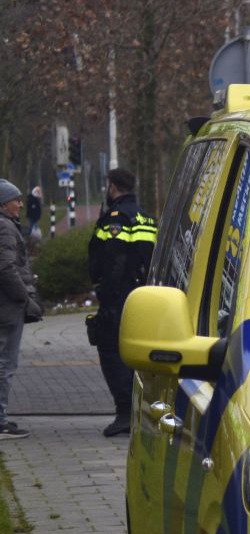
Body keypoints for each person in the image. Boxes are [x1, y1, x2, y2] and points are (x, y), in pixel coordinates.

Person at [88, 168, 155, 436]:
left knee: (111, 350)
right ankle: (140, 411)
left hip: (120, 296)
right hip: (146, 295)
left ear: (113, 187)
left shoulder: (116, 219)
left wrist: (105, 294)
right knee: (136, 352)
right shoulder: (147, 218)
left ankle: (124, 412)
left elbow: (114, 260)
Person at [0, 178, 43, 441]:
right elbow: (5, 268)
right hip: (8, 307)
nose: (20, 204)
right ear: (4, 203)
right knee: (5, 363)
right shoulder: (5, 228)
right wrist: (24, 299)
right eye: (16, 200)